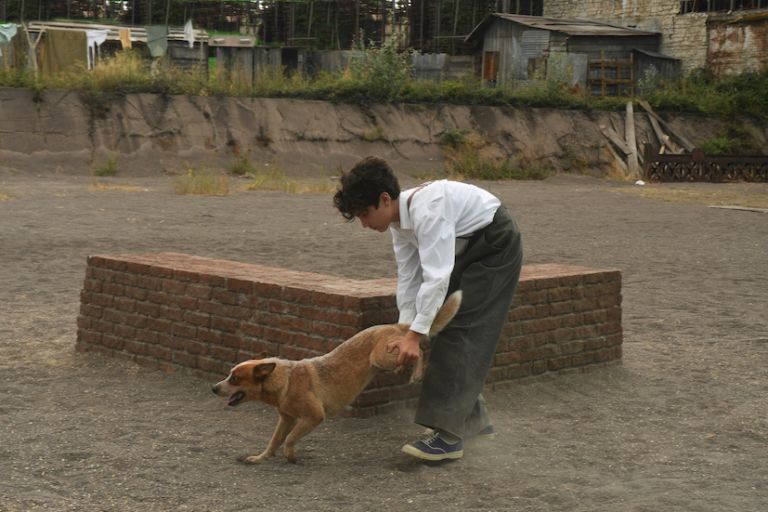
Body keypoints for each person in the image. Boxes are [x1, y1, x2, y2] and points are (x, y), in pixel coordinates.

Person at [333, 156, 523, 462]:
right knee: (438, 323)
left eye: (364, 214)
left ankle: (448, 438)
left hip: (495, 244)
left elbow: (436, 276)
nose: (364, 224)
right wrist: (406, 331)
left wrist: (415, 335)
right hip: (468, 247)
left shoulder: (428, 209)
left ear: (384, 199)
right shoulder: (400, 224)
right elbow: (410, 278)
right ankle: (475, 421)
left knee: (459, 327)